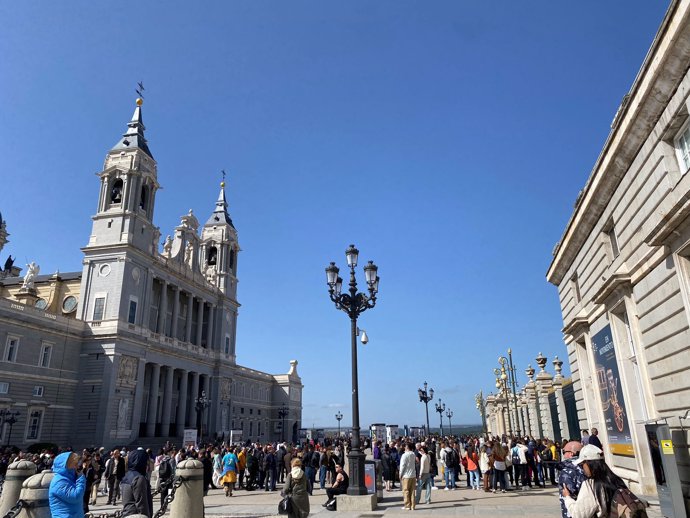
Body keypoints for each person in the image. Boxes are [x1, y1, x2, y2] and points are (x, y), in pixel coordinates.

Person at [562, 444, 629, 518]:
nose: (582, 469)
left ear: (588, 463)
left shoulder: (590, 485)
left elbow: (578, 514)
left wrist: (567, 497)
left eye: (582, 465)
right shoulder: (616, 479)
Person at [49, 451, 87, 518]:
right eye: (74, 464)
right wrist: (81, 479)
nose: (76, 466)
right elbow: (76, 496)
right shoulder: (59, 481)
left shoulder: (69, 478)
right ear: (66, 465)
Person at [121, 449, 153, 518]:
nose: (147, 464)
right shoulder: (139, 478)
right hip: (136, 515)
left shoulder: (127, 476)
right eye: (146, 461)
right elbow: (141, 503)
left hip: (127, 513)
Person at [558, 441, 586, 518]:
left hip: (573, 511)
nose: (563, 454)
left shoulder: (567, 471)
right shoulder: (587, 466)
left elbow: (569, 495)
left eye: (564, 452)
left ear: (571, 453)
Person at [399, 442, 417, 511]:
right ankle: (413, 506)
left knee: (406, 491)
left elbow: (402, 466)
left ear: (407, 447)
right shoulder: (413, 454)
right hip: (413, 474)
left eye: (405, 446)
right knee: (412, 491)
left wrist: (400, 474)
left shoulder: (404, 455)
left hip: (406, 475)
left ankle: (407, 505)